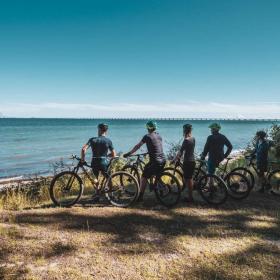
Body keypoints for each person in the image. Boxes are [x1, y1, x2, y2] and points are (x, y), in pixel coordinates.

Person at [123, 121, 166, 201]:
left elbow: (138, 146)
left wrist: (129, 153)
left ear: (147, 128)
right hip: (163, 160)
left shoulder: (147, 136)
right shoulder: (159, 136)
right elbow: (156, 147)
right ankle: (160, 189)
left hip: (155, 161)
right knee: (154, 172)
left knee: (144, 176)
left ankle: (140, 197)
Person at [81, 123, 116, 199]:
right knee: (108, 177)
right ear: (106, 131)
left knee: (95, 178)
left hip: (94, 162)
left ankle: (97, 193)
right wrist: (107, 156)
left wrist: (83, 160)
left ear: (99, 130)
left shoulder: (92, 139)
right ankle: (111, 194)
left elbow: (83, 150)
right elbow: (113, 154)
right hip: (104, 161)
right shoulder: (108, 141)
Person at [173, 124, 195, 202]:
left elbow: (180, 152)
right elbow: (189, 150)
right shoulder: (193, 138)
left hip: (187, 161)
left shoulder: (186, 140)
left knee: (187, 180)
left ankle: (190, 198)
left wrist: (174, 159)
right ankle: (190, 195)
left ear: (184, 130)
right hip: (193, 161)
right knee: (189, 179)